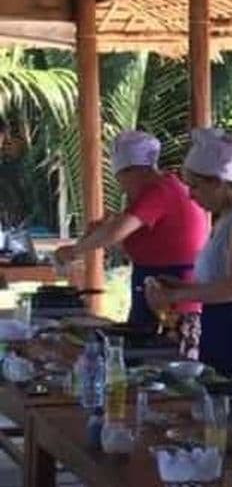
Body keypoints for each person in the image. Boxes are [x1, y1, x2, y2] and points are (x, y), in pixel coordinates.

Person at [54, 130, 208, 357]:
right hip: (152, 292)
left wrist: (75, 250)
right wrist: (98, 235)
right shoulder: (160, 190)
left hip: (174, 303)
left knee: (164, 370)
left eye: (121, 179)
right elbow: (138, 244)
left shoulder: (159, 191)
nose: (122, 187)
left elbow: (117, 231)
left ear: (135, 172)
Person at [145, 127, 232, 378]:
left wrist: (178, 293)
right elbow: (219, 280)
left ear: (218, 183)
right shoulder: (227, 218)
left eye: (195, 187)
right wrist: (178, 288)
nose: (190, 195)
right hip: (221, 325)